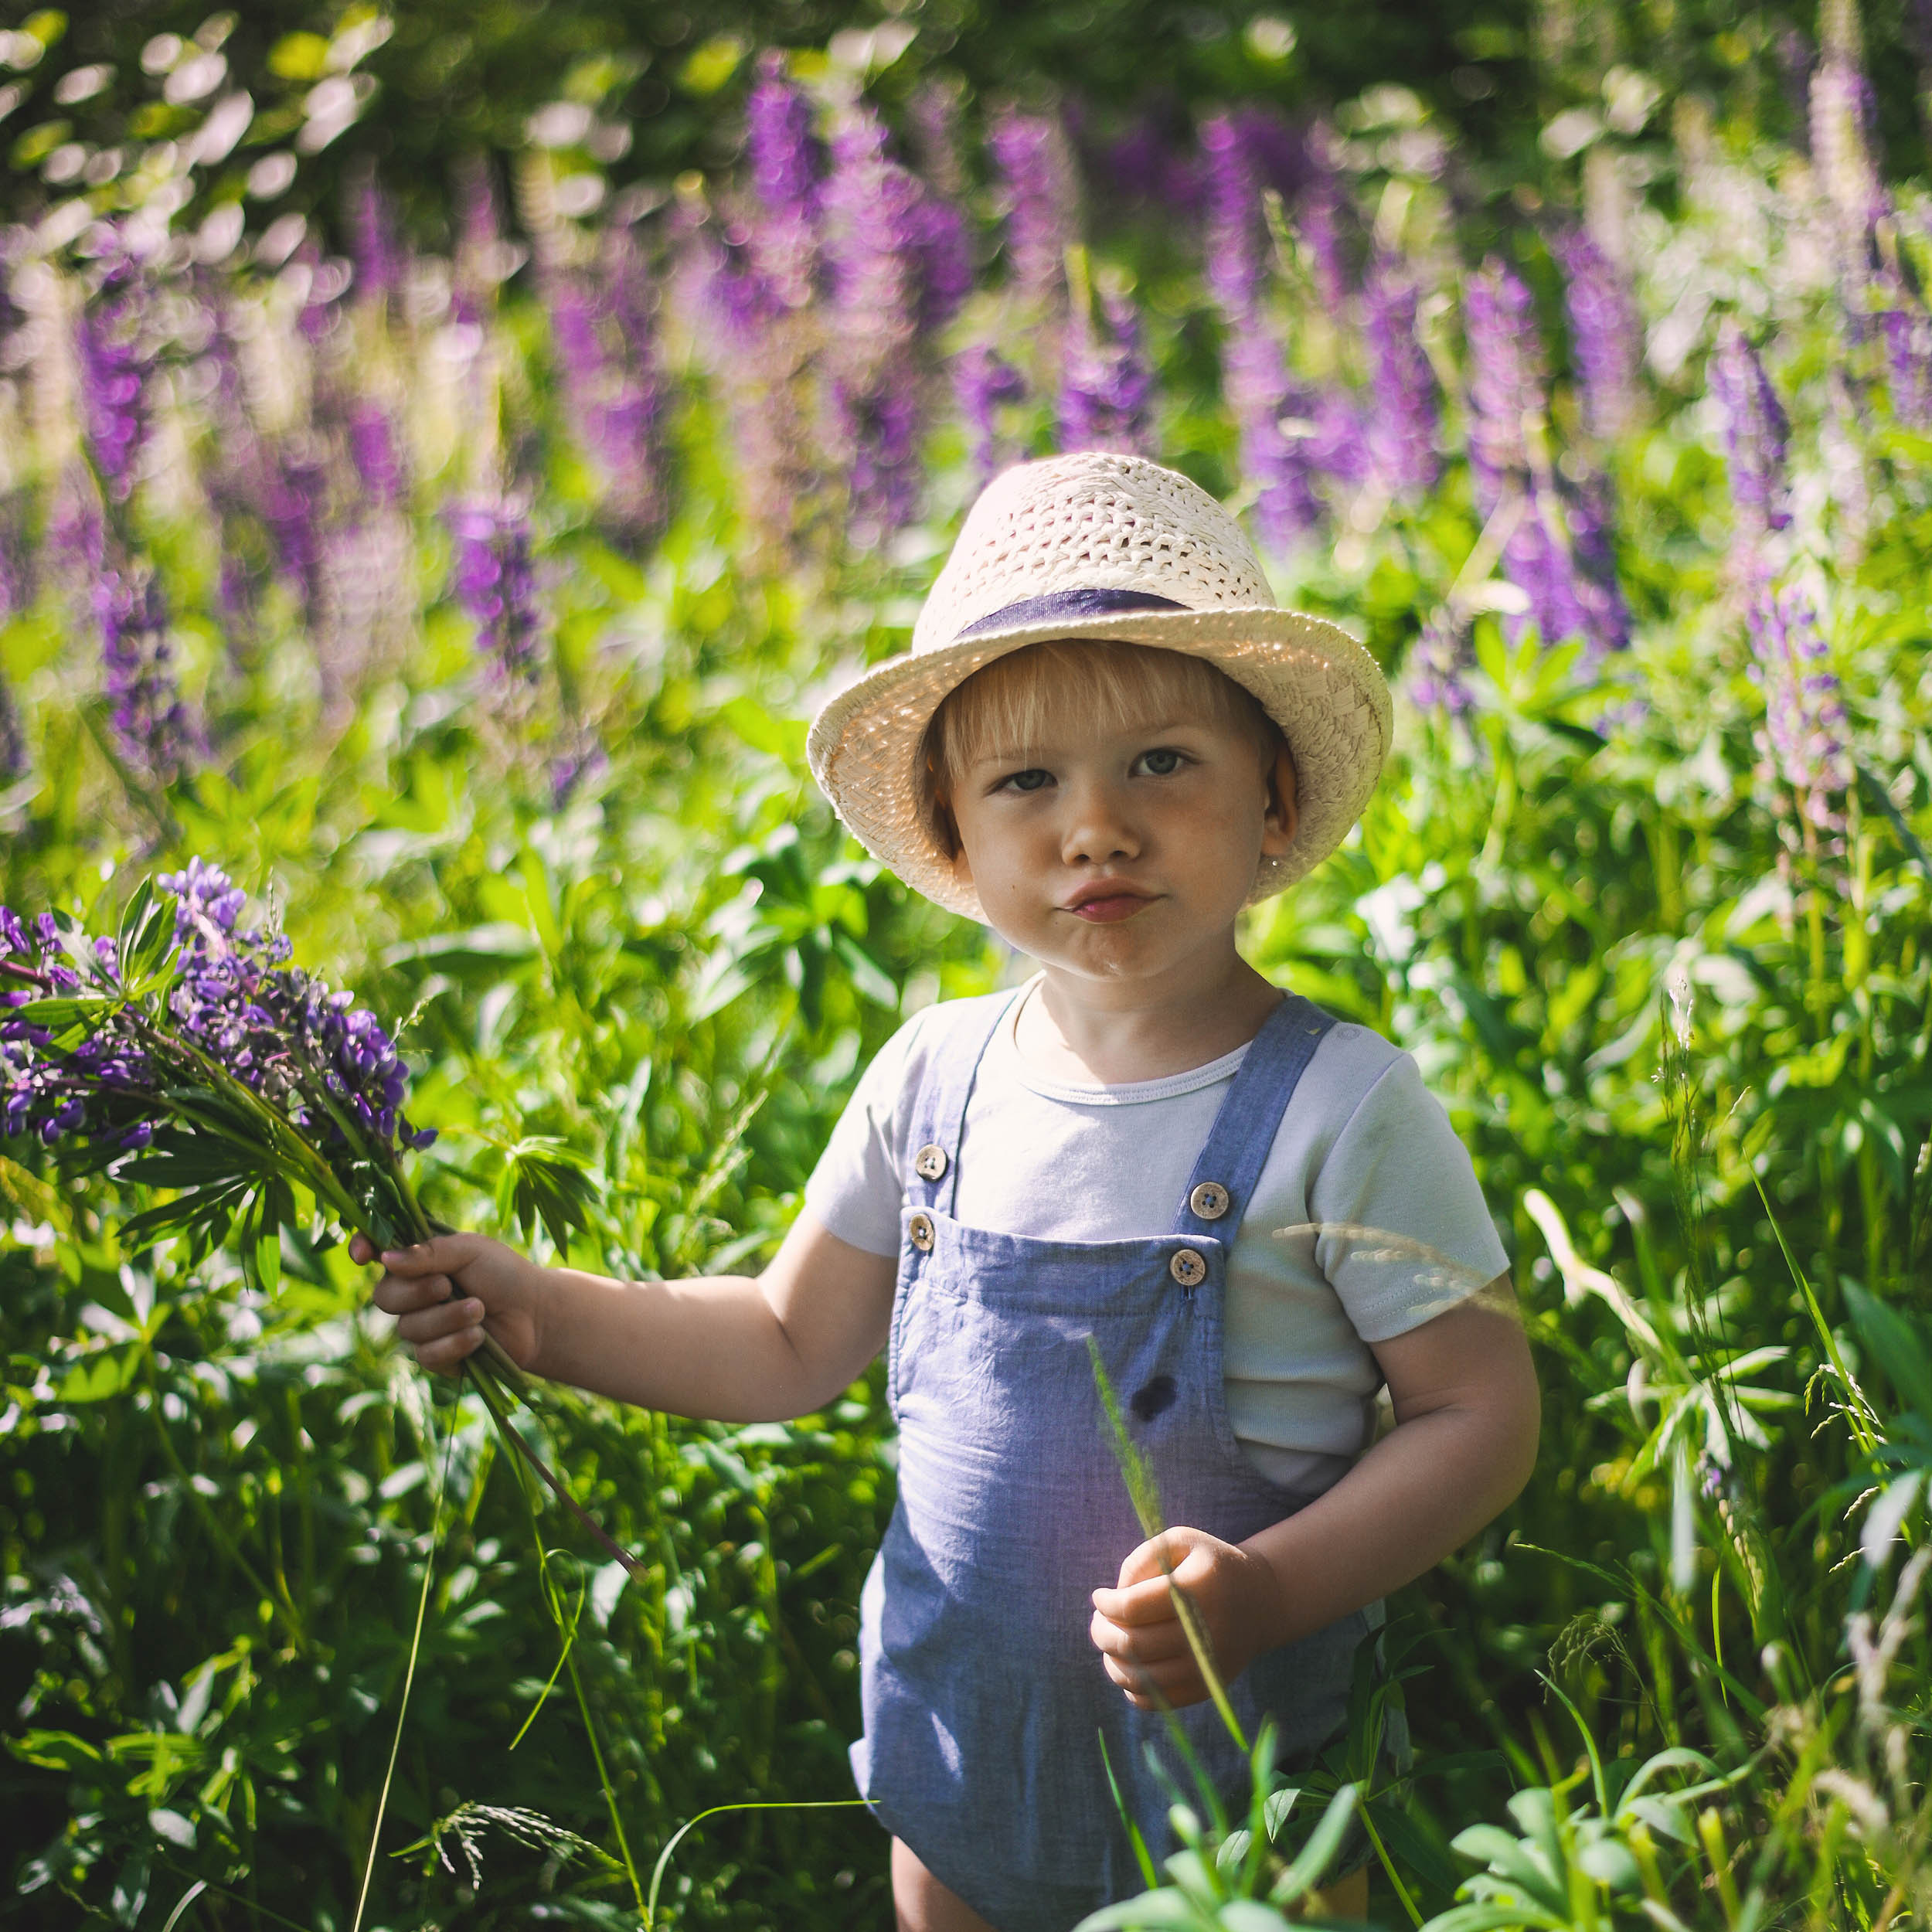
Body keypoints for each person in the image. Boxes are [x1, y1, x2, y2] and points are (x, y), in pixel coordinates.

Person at [357, 451, 1541, 1932]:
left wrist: (1272, 1590)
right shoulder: (933, 1080)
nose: (1093, 827)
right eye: (1027, 782)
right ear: (954, 834)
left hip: (1247, 1780)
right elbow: (787, 1341)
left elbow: (1478, 1414)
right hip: (962, 1763)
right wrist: (544, 1310)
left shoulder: (1340, 1105)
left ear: (1275, 799)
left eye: (1162, 763)